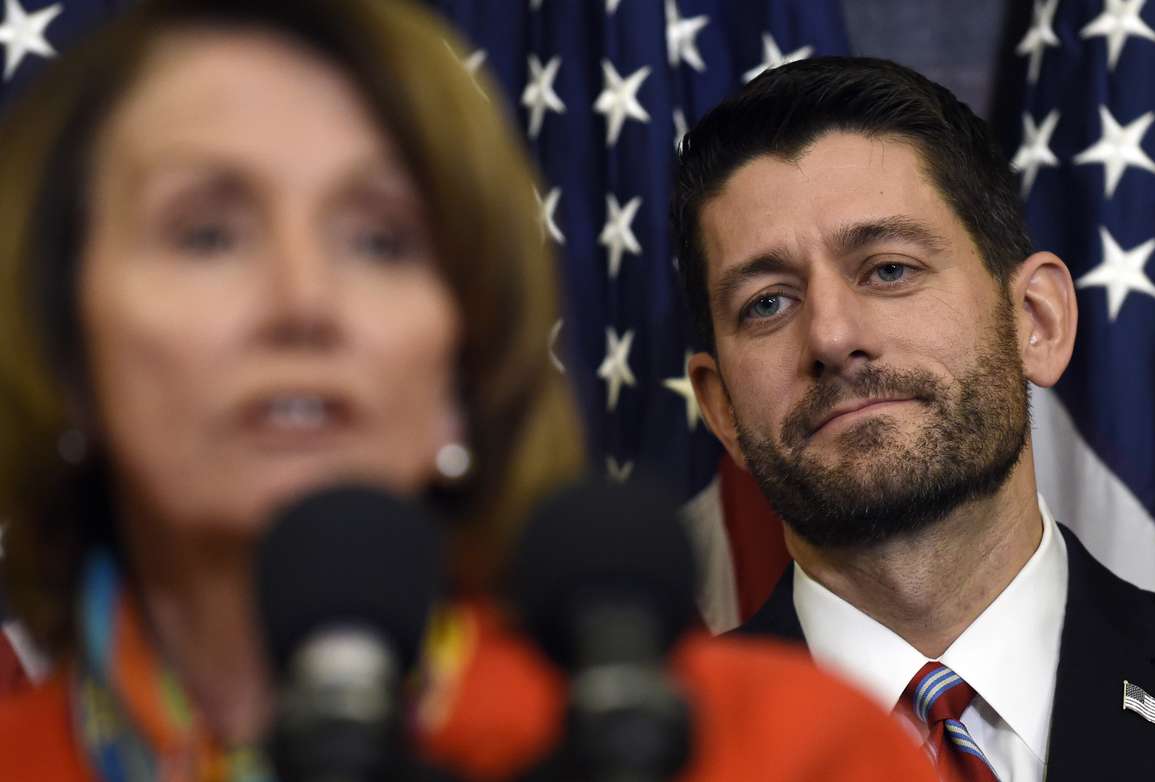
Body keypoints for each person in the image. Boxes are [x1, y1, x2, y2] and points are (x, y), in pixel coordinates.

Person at [0, 3, 935, 780]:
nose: (304, 302)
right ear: (64, 345)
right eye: (207, 235)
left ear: (461, 361)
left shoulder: (772, 754)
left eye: (380, 241)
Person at [672, 56, 1155, 781]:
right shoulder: (648, 757)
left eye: (889, 269)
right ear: (720, 410)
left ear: (1037, 319)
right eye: (768, 303)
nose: (833, 337)